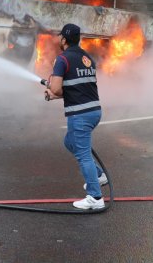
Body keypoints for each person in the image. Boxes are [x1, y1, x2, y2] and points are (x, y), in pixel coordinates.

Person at [44, 23, 108, 210]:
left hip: (80, 114)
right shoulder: (87, 57)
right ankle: (98, 176)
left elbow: (57, 88)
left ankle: (95, 197)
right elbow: (76, 88)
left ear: (64, 39)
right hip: (94, 111)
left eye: (60, 37)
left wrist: (51, 91)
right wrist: (54, 93)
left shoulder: (62, 59)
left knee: (83, 154)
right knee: (70, 142)